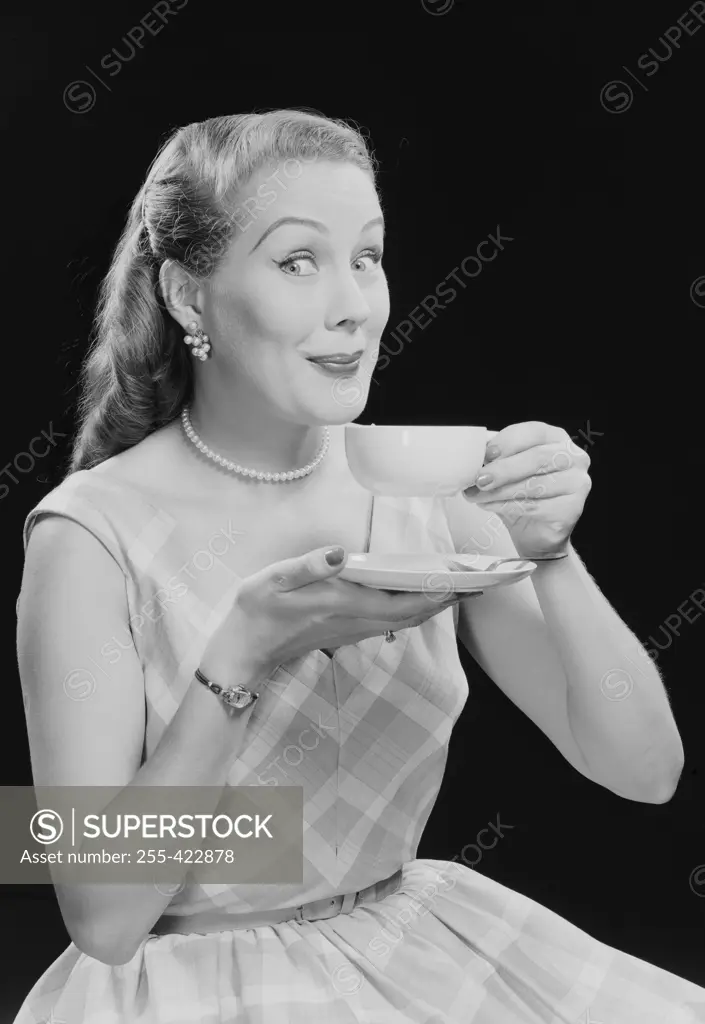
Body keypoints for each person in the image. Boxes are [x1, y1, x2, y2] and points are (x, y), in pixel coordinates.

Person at [13, 109, 705, 1023]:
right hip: (192, 990)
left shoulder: (428, 495)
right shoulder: (88, 536)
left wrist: (551, 554)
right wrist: (240, 658)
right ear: (188, 297)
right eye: (298, 261)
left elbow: (644, 770)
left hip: (412, 954)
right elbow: (103, 915)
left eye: (367, 257)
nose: (353, 304)